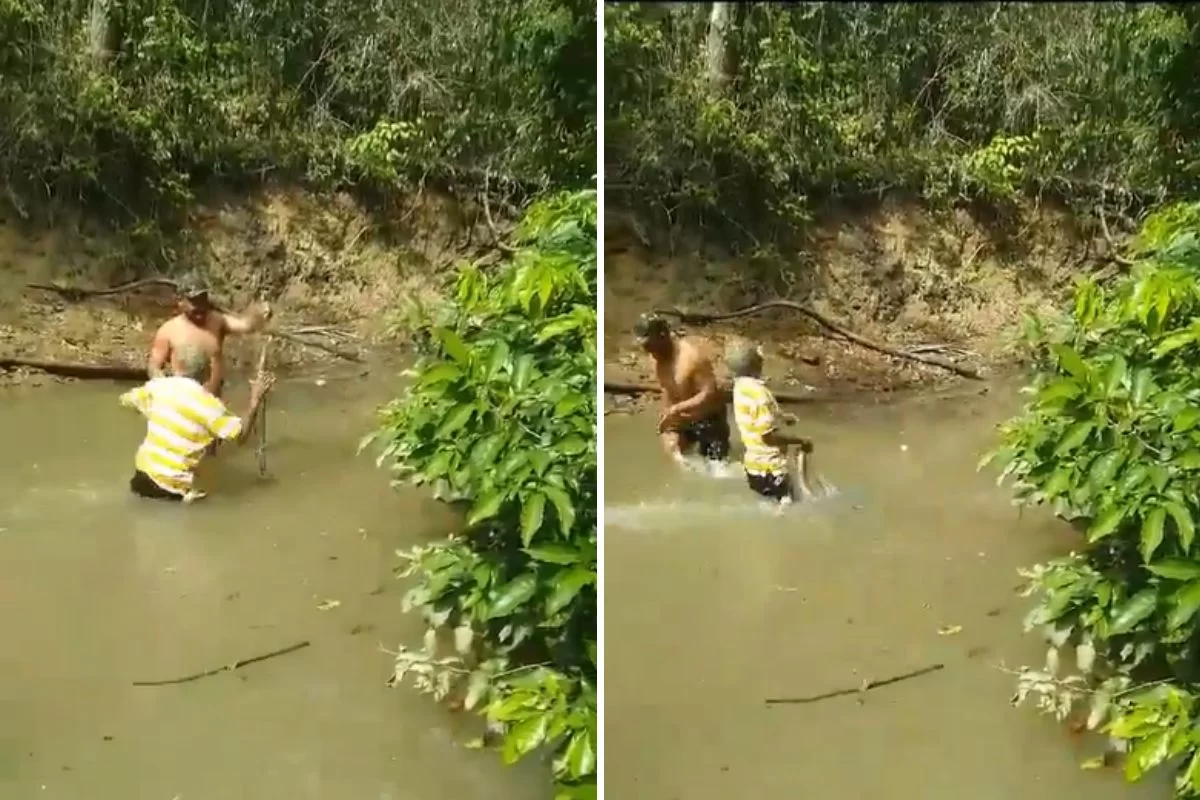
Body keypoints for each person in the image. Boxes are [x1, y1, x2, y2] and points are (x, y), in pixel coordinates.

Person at [120, 342, 275, 503]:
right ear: (207, 373)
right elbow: (240, 436)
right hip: (172, 487)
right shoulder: (209, 406)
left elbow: (125, 401)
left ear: (176, 366)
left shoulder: (159, 388)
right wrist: (254, 401)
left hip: (141, 476)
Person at [148, 276, 271, 399]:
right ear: (180, 301)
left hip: (213, 402)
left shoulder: (218, 321)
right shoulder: (168, 331)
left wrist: (259, 312)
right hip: (184, 402)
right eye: (194, 302)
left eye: (203, 300)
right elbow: (154, 367)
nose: (200, 306)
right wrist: (166, 388)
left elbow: (247, 325)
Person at [635, 312, 730, 468]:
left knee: (717, 469)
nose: (647, 350)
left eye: (650, 345)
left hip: (709, 420)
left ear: (663, 336)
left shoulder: (692, 357)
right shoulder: (655, 358)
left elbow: (709, 392)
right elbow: (667, 389)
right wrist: (667, 421)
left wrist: (677, 409)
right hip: (683, 420)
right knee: (677, 456)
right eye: (644, 346)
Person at [728, 341, 818, 505]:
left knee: (769, 506)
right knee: (789, 509)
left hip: (753, 469)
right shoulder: (760, 394)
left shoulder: (740, 388)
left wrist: (780, 416)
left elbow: (754, 415)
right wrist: (799, 440)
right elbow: (767, 437)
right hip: (772, 469)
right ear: (757, 364)